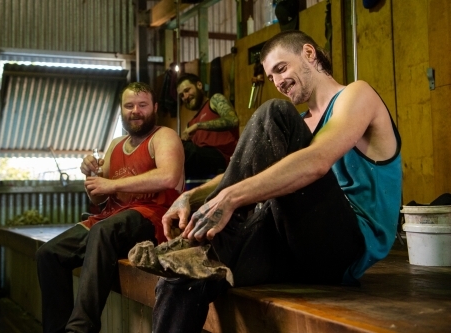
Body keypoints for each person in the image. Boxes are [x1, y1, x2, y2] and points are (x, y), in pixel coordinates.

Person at [152, 30, 402, 332]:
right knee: (186, 276)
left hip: (345, 247)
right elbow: (241, 169)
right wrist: (189, 197)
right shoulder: (302, 124)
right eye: (271, 77)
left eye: (281, 69)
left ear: (309, 54)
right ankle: (205, 249)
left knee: (274, 113)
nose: (278, 82)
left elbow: (317, 161)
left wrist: (229, 198)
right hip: (295, 245)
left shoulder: (355, 96)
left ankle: (208, 242)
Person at [35, 82, 184, 333]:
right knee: (49, 255)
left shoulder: (164, 136)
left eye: (142, 105)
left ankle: (80, 328)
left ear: (154, 108)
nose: (135, 110)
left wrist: (110, 185)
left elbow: (169, 176)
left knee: (103, 231)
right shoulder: (115, 144)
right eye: (129, 106)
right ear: (121, 111)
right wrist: (91, 179)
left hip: (152, 216)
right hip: (110, 218)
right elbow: (98, 200)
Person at [177, 73, 239, 179]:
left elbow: (233, 120)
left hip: (224, 159)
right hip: (203, 163)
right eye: (182, 95)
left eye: (187, 90)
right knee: (174, 148)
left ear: (199, 85)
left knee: (182, 148)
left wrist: (198, 126)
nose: (185, 97)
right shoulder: (190, 123)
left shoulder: (214, 100)